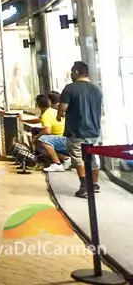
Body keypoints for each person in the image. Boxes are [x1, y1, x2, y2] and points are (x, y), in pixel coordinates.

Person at [57, 61, 103, 198]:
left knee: (78, 158)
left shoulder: (70, 88)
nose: (71, 75)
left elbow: (63, 107)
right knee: (94, 157)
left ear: (76, 72)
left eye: (72, 72)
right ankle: (94, 184)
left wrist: (59, 115)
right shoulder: (97, 88)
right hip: (94, 130)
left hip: (76, 130)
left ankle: (84, 186)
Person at [29, 93, 70, 172]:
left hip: (65, 142)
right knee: (38, 133)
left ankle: (57, 164)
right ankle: (65, 158)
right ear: (49, 103)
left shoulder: (46, 115)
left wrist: (36, 137)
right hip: (68, 139)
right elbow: (38, 121)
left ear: (38, 106)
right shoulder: (54, 111)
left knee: (42, 140)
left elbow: (48, 131)